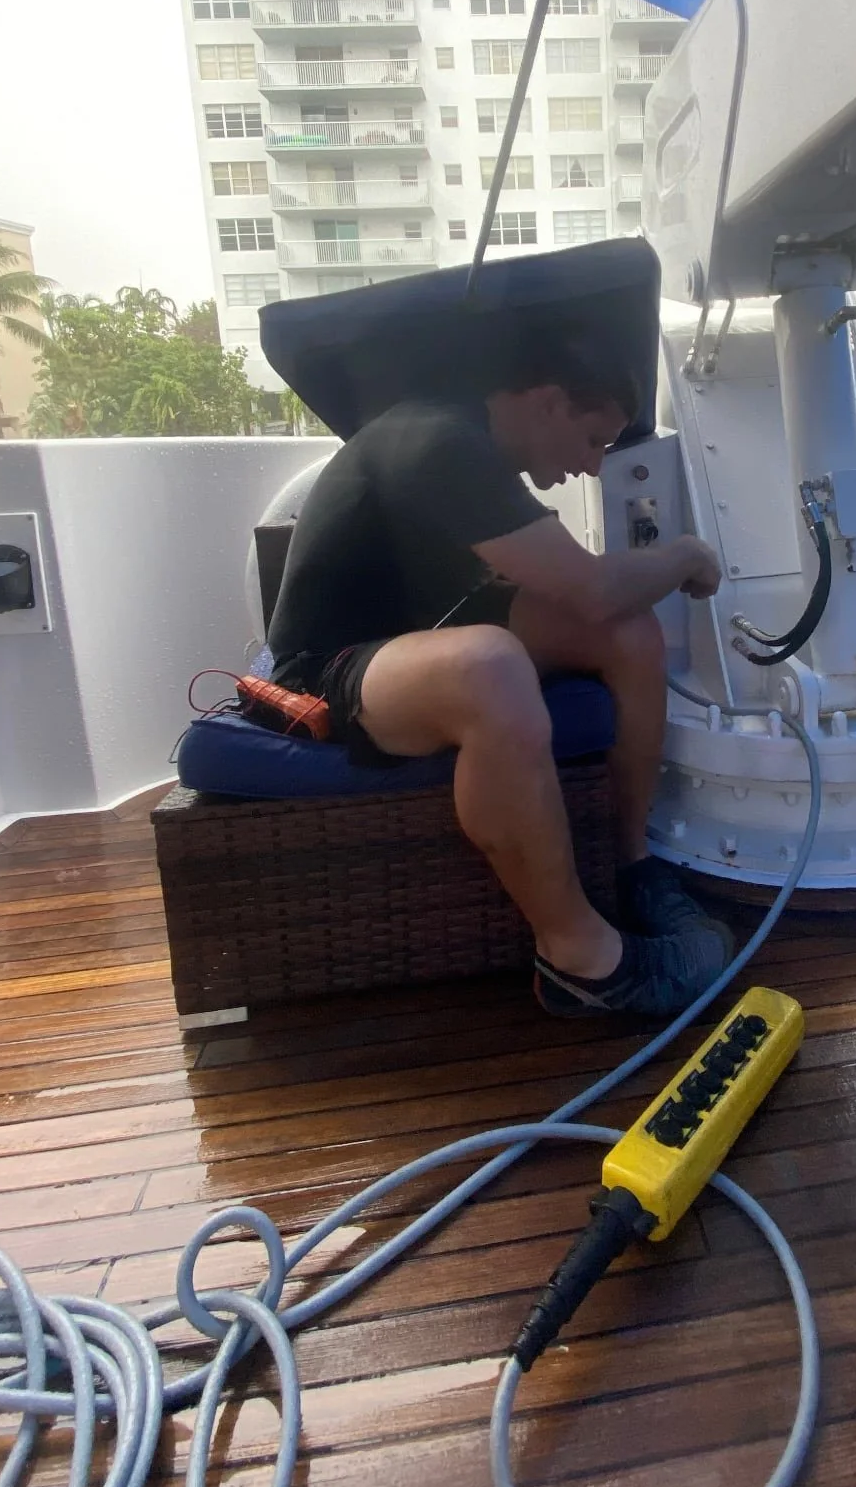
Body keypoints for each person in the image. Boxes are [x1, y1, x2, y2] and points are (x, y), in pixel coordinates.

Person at [267, 331, 731, 1019]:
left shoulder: (468, 441)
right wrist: (688, 553)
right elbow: (594, 585)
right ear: (548, 404)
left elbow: (596, 601)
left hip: (420, 632)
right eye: (593, 439)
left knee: (628, 634)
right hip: (331, 667)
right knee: (492, 666)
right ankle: (582, 961)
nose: (596, 467)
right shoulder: (439, 439)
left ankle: (631, 868)